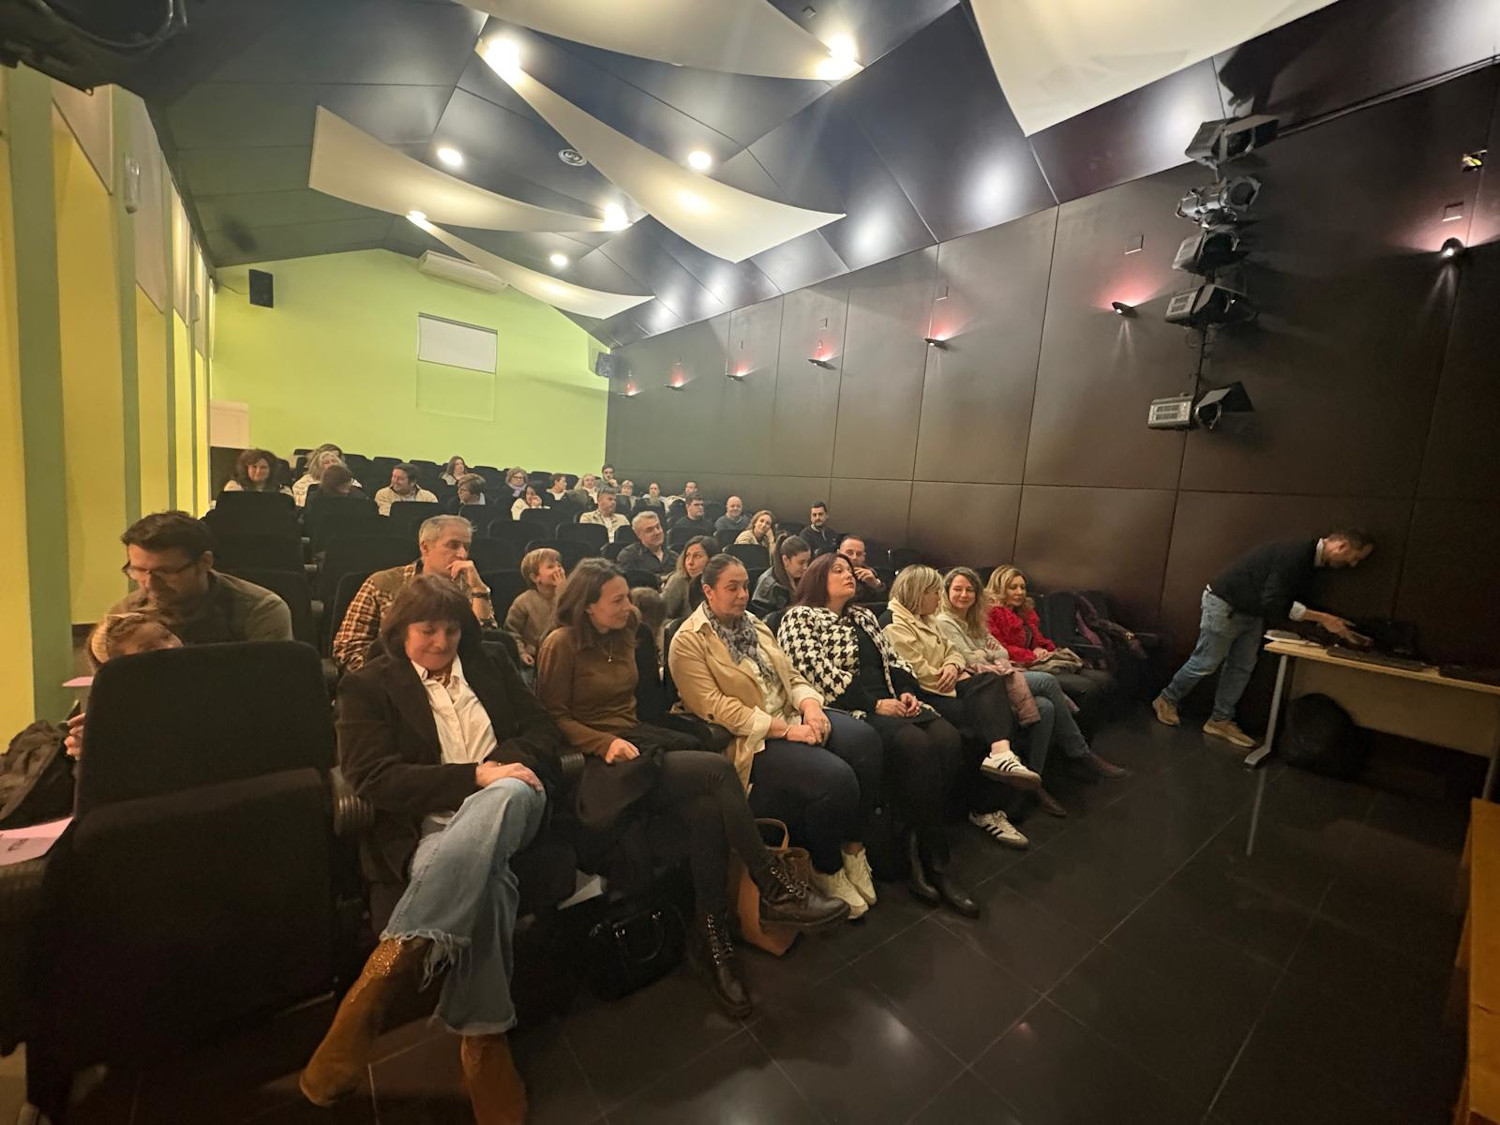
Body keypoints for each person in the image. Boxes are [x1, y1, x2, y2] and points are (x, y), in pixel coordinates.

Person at [299, 577, 563, 1117]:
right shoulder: (368, 685)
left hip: (514, 802)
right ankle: (484, 1040)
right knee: (489, 884)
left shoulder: (489, 662)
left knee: (505, 794)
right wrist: (473, 776)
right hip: (429, 826)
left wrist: (496, 772)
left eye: (451, 630)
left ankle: (382, 978)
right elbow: (372, 776)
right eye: (428, 630)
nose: (442, 642)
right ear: (401, 631)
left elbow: (542, 730)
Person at [536, 560, 847, 1015]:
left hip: (638, 743)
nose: (627, 606)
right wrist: (603, 743)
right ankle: (772, 886)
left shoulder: (628, 631)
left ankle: (713, 937)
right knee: (716, 771)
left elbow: (643, 707)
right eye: (617, 600)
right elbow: (552, 719)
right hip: (597, 760)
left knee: (706, 811)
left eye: (626, 597)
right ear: (587, 607)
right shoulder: (561, 644)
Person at [670, 554, 883, 919]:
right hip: (754, 737)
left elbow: (791, 675)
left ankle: (852, 848)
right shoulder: (688, 641)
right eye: (732, 588)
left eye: (745, 586)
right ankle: (826, 868)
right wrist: (787, 730)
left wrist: (811, 707)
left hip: (791, 712)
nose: (742, 595)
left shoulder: (753, 623)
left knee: (866, 743)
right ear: (708, 590)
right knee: (837, 779)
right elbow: (716, 707)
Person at [779, 554, 980, 917]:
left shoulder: (863, 615)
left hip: (891, 701)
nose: (848, 575)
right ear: (817, 578)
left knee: (949, 739)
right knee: (916, 746)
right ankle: (930, 864)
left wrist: (905, 691)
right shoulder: (799, 617)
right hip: (851, 707)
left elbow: (893, 660)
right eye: (837, 570)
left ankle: (917, 841)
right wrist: (875, 704)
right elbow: (816, 674)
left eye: (849, 570)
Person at [1153, 529, 1375, 748]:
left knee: (1241, 668)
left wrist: (1332, 620)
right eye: (1354, 557)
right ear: (1342, 546)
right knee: (1206, 662)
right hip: (1226, 604)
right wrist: (1323, 618)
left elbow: (1285, 599)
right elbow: (1275, 601)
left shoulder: (1308, 560)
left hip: (1251, 611)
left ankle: (1220, 719)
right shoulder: (1296, 554)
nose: (1353, 564)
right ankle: (1166, 699)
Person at [938, 567, 1124, 815]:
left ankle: (1034, 781)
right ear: (946, 592)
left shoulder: (975, 619)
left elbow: (999, 651)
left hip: (1001, 672)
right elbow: (971, 658)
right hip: (983, 683)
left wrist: (990, 654)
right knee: (1047, 682)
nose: (964, 595)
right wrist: (989, 654)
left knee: (1045, 707)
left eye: (970, 590)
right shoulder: (945, 621)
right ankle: (1080, 752)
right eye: (958, 589)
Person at [884, 566, 1040, 845]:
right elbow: (918, 672)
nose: (939, 598)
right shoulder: (894, 623)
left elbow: (952, 652)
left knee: (992, 686)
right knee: (987, 722)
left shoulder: (927, 618)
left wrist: (953, 666)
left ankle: (1000, 757)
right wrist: (951, 671)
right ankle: (985, 806)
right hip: (928, 694)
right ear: (918, 593)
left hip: (949, 683)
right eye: (934, 592)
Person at [334, 515, 498, 672]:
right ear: (425, 547)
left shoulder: (471, 588)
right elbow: (348, 648)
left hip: (455, 680)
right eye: (453, 545)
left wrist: (479, 591)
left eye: (466, 547)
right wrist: (385, 677)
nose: (462, 554)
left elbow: (485, 647)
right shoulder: (382, 584)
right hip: (391, 679)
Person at [108, 511, 293, 643]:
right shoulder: (127, 612)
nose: (150, 584)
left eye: (165, 572)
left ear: (205, 562)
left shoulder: (260, 611)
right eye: (139, 570)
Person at [986, 565, 1117, 728]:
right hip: (1017, 665)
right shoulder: (991, 613)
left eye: (1022, 587)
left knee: (1102, 679)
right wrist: (1032, 655)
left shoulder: (1025, 612)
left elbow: (1038, 640)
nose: (1020, 592)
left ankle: (1086, 735)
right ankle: (1078, 738)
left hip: (1038, 660)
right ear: (1000, 588)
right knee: (1087, 688)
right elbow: (1000, 648)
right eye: (1013, 588)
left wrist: (1043, 649)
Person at [67, 614, 184, 759]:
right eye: (149, 649)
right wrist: (94, 746)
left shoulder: (201, 680)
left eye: (166, 636)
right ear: (120, 668)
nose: (170, 646)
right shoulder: (114, 721)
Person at [505, 547, 565, 669]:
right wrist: (522, 653)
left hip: (564, 653)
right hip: (536, 657)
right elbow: (512, 632)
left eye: (559, 566)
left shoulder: (569, 597)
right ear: (535, 578)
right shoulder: (523, 602)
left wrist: (564, 593)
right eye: (550, 567)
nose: (558, 569)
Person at [750, 534, 809, 618]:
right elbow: (762, 620)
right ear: (785, 560)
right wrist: (790, 611)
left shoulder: (800, 578)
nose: (805, 567)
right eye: (801, 562)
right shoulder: (769, 585)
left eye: (807, 562)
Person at [662, 535, 715, 619]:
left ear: (712, 559)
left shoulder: (722, 581)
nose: (690, 562)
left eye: (697, 556)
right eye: (688, 556)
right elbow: (661, 616)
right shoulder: (679, 581)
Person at [292, 444, 359, 507]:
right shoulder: (305, 481)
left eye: (334, 461)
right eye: (326, 462)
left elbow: (360, 498)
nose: (332, 464)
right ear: (318, 467)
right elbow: (301, 505)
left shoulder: (348, 479)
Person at [615, 511, 677, 576]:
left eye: (658, 527)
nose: (657, 532)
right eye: (649, 530)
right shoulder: (628, 556)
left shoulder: (674, 557)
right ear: (638, 535)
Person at [222, 448, 291, 496]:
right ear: (246, 468)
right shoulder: (234, 488)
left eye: (263, 467)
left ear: (271, 470)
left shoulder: (283, 492)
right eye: (254, 467)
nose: (258, 472)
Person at [838, 536, 887, 603]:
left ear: (864, 557)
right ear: (838, 553)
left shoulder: (872, 575)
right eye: (849, 553)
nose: (854, 557)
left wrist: (875, 585)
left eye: (859, 554)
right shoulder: (827, 573)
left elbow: (886, 601)